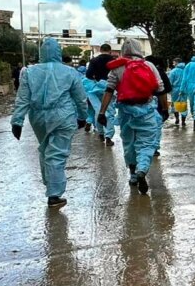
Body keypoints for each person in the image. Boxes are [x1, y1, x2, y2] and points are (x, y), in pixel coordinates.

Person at [11, 38, 87, 209]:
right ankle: (54, 194)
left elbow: (22, 99)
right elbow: (80, 98)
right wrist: (83, 116)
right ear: (58, 53)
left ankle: (50, 184)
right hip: (63, 116)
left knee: (45, 149)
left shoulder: (29, 72)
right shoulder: (70, 72)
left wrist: (17, 121)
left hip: (38, 117)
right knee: (57, 153)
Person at [98, 39, 165, 195]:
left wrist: (102, 112)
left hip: (125, 112)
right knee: (147, 144)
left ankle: (133, 175)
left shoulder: (116, 67)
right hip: (146, 110)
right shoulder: (149, 66)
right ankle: (142, 169)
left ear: (123, 51)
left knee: (129, 143)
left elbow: (109, 90)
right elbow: (160, 89)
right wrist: (165, 109)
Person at [83, 43, 117, 146]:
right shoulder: (114, 61)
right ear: (110, 51)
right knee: (110, 111)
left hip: (96, 88)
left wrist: (96, 80)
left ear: (101, 50)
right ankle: (108, 136)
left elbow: (88, 75)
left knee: (99, 111)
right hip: (110, 88)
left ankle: (101, 133)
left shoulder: (94, 60)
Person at [145, 55, 173, 155]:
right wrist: (166, 108)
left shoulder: (138, 71)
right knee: (156, 126)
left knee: (144, 127)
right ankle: (154, 148)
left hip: (143, 104)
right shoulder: (160, 72)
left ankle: (145, 148)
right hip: (158, 105)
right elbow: (166, 90)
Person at [168, 58, 186, 127]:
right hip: (184, 89)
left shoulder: (173, 71)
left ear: (177, 63)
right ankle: (183, 121)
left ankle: (177, 119)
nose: (173, 64)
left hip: (175, 90)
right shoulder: (185, 71)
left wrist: (169, 91)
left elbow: (170, 82)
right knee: (183, 104)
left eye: (174, 62)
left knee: (175, 104)